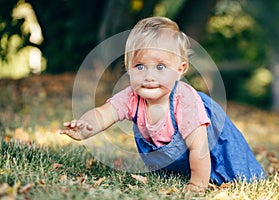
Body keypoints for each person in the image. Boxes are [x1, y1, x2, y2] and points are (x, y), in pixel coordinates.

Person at [60, 16, 266, 193]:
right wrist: (85, 128)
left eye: (160, 67)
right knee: (173, 171)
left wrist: (197, 184)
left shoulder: (185, 102)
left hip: (210, 143)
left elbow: (199, 149)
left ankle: (208, 175)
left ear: (180, 69)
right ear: (128, 68)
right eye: (140, 66)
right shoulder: (132, 97)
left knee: (233, 171)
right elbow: (104, 114)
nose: (149, 76)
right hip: (181, 156)